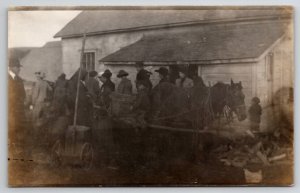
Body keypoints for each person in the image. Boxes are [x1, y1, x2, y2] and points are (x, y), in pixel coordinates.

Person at [8, 57, 26, 146]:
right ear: (11, 67)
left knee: (17, 128)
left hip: (18, 109)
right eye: (17, 67)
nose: (19, 69)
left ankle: (14, 145)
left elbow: (23, 94)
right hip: (8, 109)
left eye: (19, 67)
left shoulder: (19, 80)